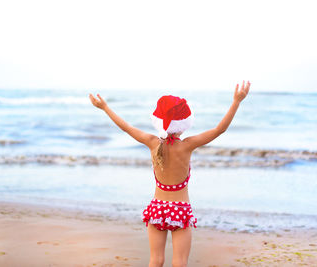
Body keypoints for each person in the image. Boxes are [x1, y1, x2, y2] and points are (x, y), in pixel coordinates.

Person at [89, 80, 251, 267]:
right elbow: (219, 129)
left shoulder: (152, 142)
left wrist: (105, 107)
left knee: (155, 260)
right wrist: (236, 102)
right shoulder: (187, 145)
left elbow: (125, 127)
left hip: (157, 209)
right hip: (180, 210)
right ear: (184, 122)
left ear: (158, 121)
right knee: (180, 262)